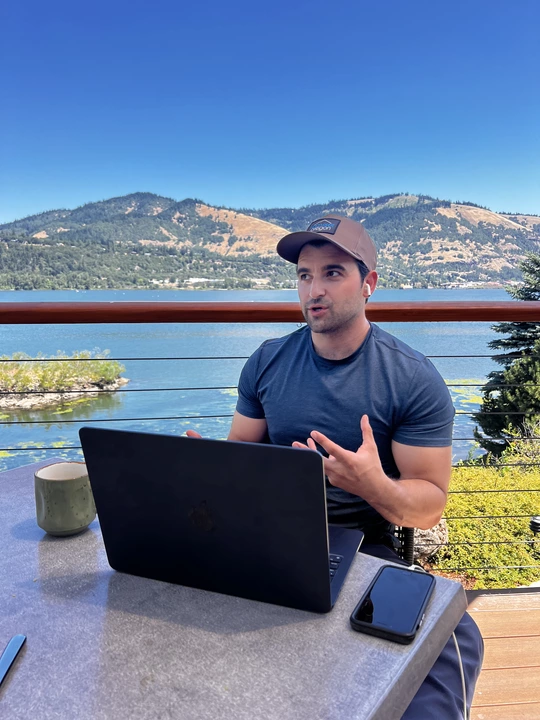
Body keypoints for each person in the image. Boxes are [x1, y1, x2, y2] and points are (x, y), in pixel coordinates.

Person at [189, 215, 483, 719]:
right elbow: (241, 453)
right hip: (269, 535)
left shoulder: (412, 379)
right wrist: (207, 468)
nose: (313, 290)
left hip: (361, 543)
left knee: (456, 638)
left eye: (332, 273)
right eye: (304, 275)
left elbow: (430, 505)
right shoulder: (267, 362)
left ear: (368, 284)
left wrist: (371, 485)